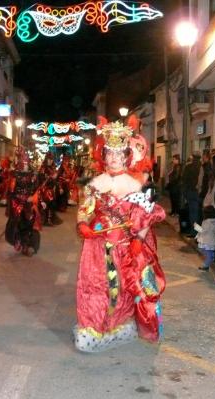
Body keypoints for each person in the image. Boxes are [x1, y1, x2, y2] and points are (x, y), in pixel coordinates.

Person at [74, 121, 166, 352]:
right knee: (93, 288)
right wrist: (83, 224)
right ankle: (92, 328)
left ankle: (118, 326)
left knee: (122, 289)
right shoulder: (95, 184)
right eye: (110, 153)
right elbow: (85, 209)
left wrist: (138, 240)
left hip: (123, 248)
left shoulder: (136, 186)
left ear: (126, 156)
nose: (114, 158)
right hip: (95, 247)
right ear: (104, 156)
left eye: (118, 154)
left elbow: (146, 216)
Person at [4, 147, 42, 257]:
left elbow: (36, 189)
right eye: (23, 160)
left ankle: (29, 246)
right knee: (18, 224)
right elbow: (12, 192)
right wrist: (24, 199)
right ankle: (20, 243)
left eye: (26, 161)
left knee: (31, 223)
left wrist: (36, 198)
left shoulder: (33, 174)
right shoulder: (14, 174)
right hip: (17, 204)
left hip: (30, 204)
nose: (25, 163)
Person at [180, 152, 201, 236]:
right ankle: (199, 232)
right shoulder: (202, 166)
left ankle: (194, 232)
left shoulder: (188, 166)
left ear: (193, 158)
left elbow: (184, 179)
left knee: (192, 213)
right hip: (199, 193)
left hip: (190, 192)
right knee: (199, 213)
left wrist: (184, 192)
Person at [196, 206, 215, 271]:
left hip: (206, 240)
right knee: (208, 252)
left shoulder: (206, 221)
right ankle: (212, 256)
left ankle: (206, 266)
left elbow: (203, 231)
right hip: (213, 240)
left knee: (206, 253)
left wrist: (196, 227)